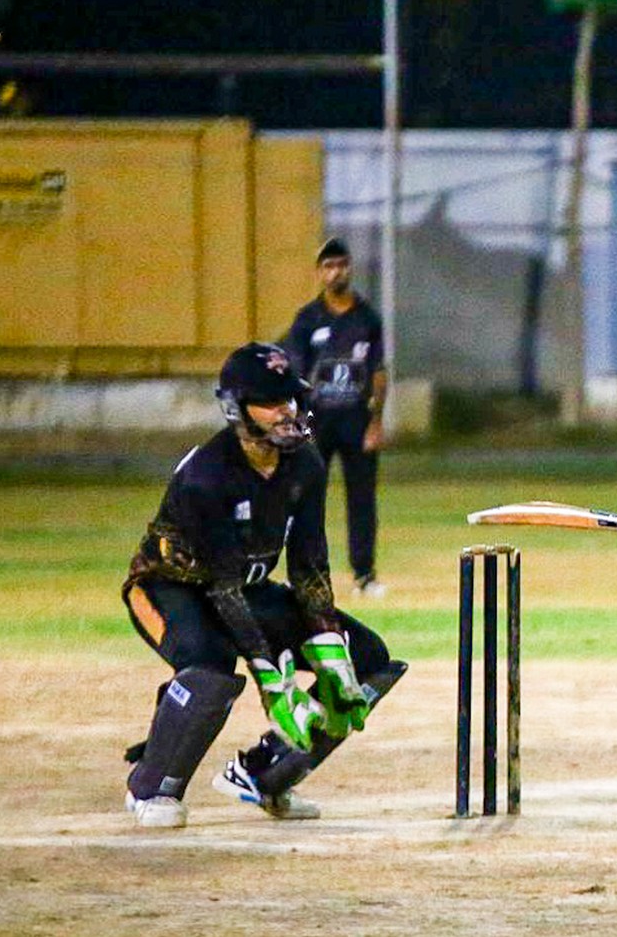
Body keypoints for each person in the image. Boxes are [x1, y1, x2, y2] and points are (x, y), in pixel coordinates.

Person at [120, 342, 406, 828]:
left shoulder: (305, 464)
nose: (287, 411)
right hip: (170, 589)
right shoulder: (207, 476)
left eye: (289, 398)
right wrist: (272, 682)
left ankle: (265, 775)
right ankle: (150, 787)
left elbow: (309, 566)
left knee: (366, 657)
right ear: (236, 408)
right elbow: (221, 587)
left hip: (244, 587)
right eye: (271, 402)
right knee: (210, 666)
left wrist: (331, 648)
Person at [283, 237, 389, 597]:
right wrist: (300, 424)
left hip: (357, 419)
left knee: (362, 499)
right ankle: (303, 574)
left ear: (350, 268)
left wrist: (376, 422)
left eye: (341, 265)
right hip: (317, 419)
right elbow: (295, 374)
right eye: (328, 266)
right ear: (319, 272)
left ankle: (365, 575)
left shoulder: (367, 318)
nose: (336, 272)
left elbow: (378, 371)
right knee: (306, 498)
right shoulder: (308, 319)